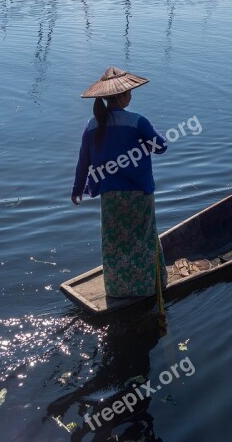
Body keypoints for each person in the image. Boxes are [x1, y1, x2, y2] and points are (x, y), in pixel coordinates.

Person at [71, 67, 169, 298]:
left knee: (115, 242)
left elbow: (83, 160)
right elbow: (162, 146)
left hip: (110, 195)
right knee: (143, 239)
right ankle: (147, 287)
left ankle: (117, 289)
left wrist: (78, 189)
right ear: (123, 96)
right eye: (129, 92)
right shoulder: (137, 122)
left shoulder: (92, 125)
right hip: (138, 194)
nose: (131, 95)